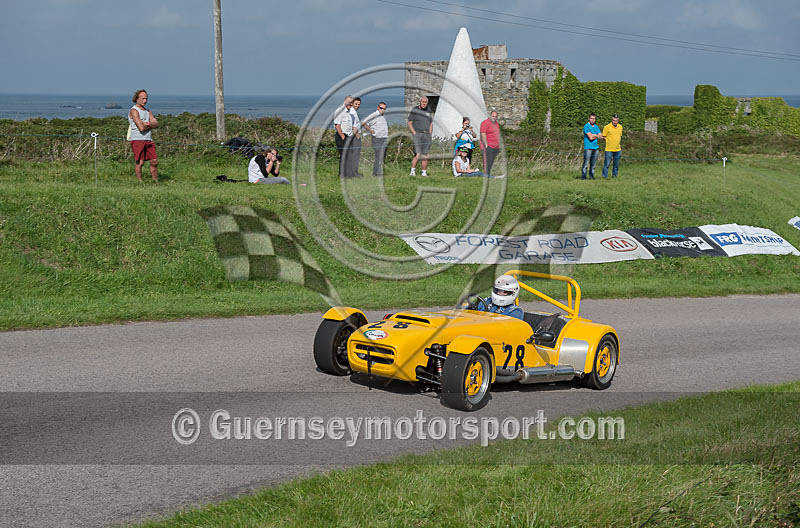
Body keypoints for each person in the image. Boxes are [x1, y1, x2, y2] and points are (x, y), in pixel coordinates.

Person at [128, 89, 159, 182]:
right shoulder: (134, 110)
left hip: (148, 139)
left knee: (154, 161)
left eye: (146, 99)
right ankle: (140, 182)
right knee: (140, 162)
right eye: (142, 98)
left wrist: (146, 124)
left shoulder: (148, 111)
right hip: (138, 139)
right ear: (136, 99)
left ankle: (155, 181)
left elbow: (157, 124)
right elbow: (141, 127)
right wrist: (150, 124)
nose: (145, 101)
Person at [407, 96, 433, 177]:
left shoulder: (429, 111)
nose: (424, 103)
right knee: (418, 154)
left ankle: (424, 172)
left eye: (425, 102)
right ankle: (412, 171)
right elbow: (410, 123)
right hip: (418, 133)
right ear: (420, 102)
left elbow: (431, 123)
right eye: (423, 102)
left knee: (425, 155)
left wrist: (430, 133)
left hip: (426, 134)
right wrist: (414, 133)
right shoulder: (415, 110)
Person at [363, 102, 389, 176]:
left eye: (384, 109)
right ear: (378, 108)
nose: (382, 110)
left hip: (384, 138)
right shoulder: (373, 115)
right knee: (378, 156)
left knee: (382, 156)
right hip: (377, 138)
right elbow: (364, 123)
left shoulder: (383, 116)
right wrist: (371, 130)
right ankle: (376, 173)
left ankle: (379, 171)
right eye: (381, 108)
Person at [333, 96, 354, 178]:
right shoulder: (339, 111)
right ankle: (342, 175)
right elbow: (337, 125)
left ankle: (347, 174)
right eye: (349, 102)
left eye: (351, 103)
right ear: (345, 101)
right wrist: (342, 136)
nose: (350, 104)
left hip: (348, 136)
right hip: (342, 136)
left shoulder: (349, 112)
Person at [479, 110, 501, 176]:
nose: (494, 117)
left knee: (491, 161)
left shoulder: (496, 123)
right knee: (488, 161)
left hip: (495, 146)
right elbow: (483, 133)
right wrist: (486, 144)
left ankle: (488, 175)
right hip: (488, 146)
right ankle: (486, 175)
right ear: (490, 116)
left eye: (496, 116)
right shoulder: (485, 123)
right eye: (493, 116)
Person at [602, 114, 623, 178]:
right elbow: (604, 136)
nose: (614, 122)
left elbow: (620, 136)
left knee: (616, 165)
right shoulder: (607, 127)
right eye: (613, 120)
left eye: (616, 120)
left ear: (618, 120)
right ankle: (605, 176)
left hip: (618, 149)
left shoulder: (620, 127)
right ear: (612, 120)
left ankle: (614, 176)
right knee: (607, 164)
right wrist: (608, 142)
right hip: (609, 149)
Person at [346, 97, 363, 177]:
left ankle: (353, 172)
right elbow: (353, 126)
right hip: (355, 136)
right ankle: (354, 173)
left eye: (359, 104)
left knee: (355, 155)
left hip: (354, 135)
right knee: (355, 155)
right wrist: (358, 136)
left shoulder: (353, 112)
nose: (357, 106)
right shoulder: (352, 112)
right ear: (352, 103)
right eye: (356, 104)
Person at [581, 113, 601, 180]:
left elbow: (601, 136)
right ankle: (584, 176)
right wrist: (596, 135)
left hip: (596, 147)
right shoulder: (586, 126)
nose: (593, 120)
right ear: (589, 119)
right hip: (588, 147)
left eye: (594, 118)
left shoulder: (596, 127)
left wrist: (594, 135)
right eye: (591, 118)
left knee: (593, 164)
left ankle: (591, 176)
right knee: (586, 163)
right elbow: (590, 137)